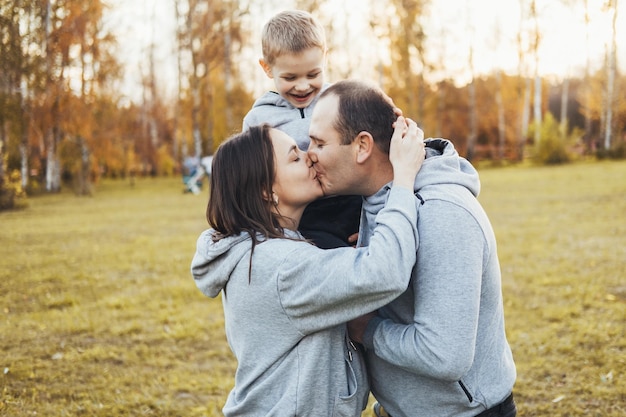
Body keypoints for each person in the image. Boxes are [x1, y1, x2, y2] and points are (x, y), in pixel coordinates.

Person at [307, 79, 517, 417]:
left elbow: (444, 354)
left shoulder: (442, 213)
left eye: (318, 143)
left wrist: (366, 330)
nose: (309, 156)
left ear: (362, 146)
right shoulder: (371, 201)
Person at [191, 120, 426, 416]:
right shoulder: (282, 266)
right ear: (266, 190)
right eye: (294, 157)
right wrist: (403, 178)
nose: (310, 156)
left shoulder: (259, 252)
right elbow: (386, 273)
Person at [242, 10, 361, 249]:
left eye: (313, 74)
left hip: (353, 201)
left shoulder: (343, 101)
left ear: (324, 58)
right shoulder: (258, 120)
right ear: (267, 68)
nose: (303, 86)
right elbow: (252, 181)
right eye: (290, 77)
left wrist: (371, 218)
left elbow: (369, 158)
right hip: (305, 215)